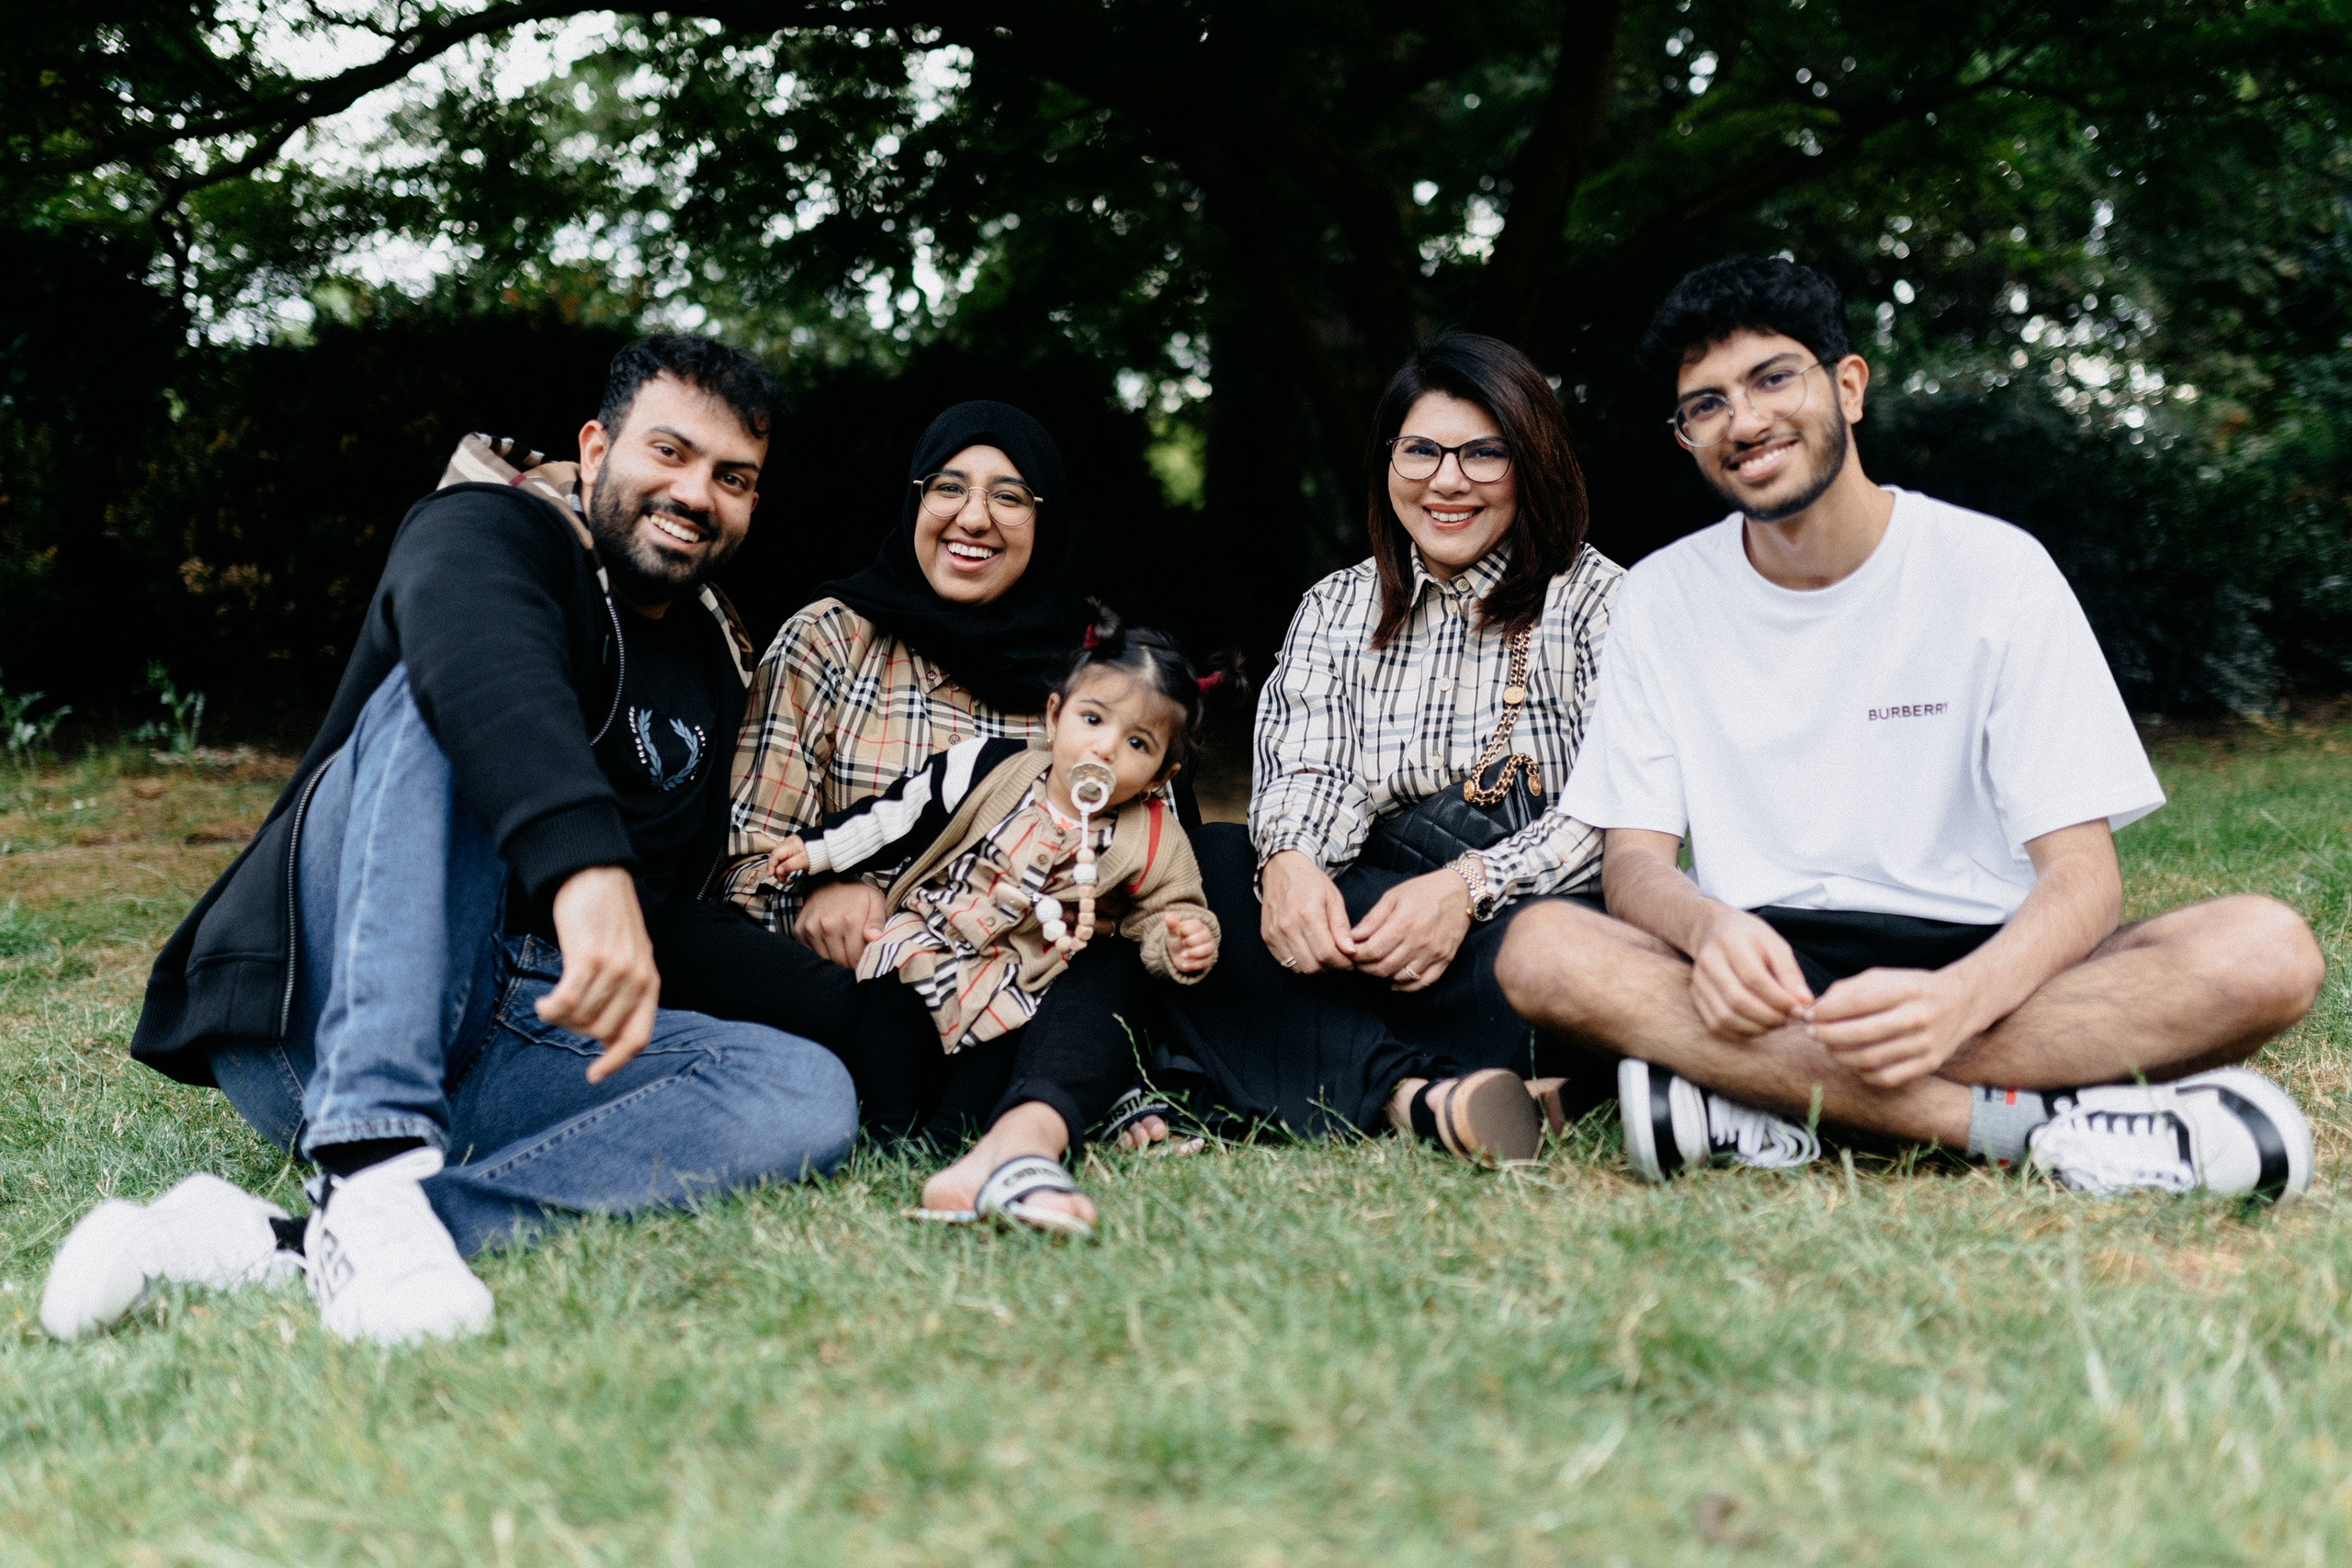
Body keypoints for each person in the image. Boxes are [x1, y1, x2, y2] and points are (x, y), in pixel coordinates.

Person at [40, 337, 857, 1346]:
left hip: (513, 1032)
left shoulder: (715, 661)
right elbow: (475, 650)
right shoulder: (494, 526)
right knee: (444, 691)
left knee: (806, 1092)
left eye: (733, 478)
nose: (697, 493)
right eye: (670, 453)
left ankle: (305, 1237)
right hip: (327, 1017)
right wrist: (583, 867)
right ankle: (368, 1151)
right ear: (596, 449)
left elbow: (680, 912)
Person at [1497, 254, 2326, 1198]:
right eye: (1707, 403)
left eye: (1774, 378)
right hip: (1776, 971)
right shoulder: (1658, 597)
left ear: (1847, 387)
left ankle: (1759, 1098)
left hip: (1987, 964)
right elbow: (1634, 864)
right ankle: (2035, 1130)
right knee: (1543, 950)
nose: (1747, 419)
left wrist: (1955, 1003)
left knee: (2267, 950)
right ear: (1686, 437)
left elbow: (2084, 880)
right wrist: (1705, 927)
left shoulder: (1994, 569)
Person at [1159, 333, 1623, 1163]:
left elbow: (1617, 806)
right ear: (1388, 462)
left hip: (1515, 917)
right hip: (1369, 918)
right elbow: (1310, 764)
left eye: (1486, 453)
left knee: (1566, 952)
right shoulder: (1337, 605)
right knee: (1208, 871)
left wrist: (1467, 887)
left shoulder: (1597, 600)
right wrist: (1292, 865)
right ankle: (1428, 1096)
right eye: (1422, 452)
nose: (1448, 480)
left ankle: (1336, 1066)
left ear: (1535, 460)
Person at [685, 400, 1182, 1152]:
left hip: (1033, 983)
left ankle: (1040, 1092)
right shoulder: (828, 639)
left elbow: (1146, 862)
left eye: (1009, 496)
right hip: (863, 982)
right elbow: (745, 865)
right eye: (947, 487)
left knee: (1119, 962)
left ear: (1045, 521)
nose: (972, 517)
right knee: (700, 941)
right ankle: (1043, 1088)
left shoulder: (1100, 677)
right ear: (917, 500)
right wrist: (830, 890)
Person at [756, 615, 1220, 1235]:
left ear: (1163, 775)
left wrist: (1182, 941)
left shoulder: (1151, 835)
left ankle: (956, 1142)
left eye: (1138, 743)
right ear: (1054, 717)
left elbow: (1171, 909)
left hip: (1019, 977)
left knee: (995, 1059)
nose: (1106, 747)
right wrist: (818, 852)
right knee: (890, 1019)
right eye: (1093, 719)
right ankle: (887, 1127)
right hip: (932, 939)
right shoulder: (990, 767)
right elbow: (896, 815)